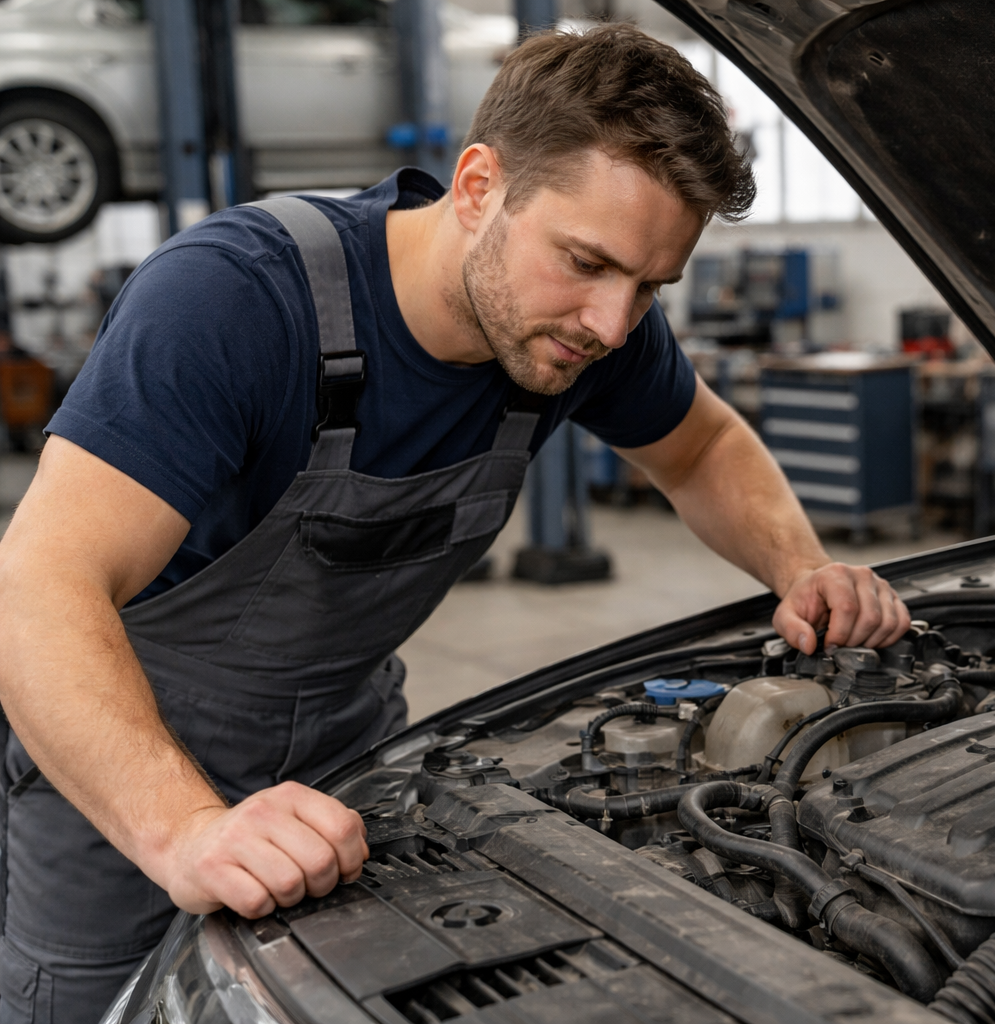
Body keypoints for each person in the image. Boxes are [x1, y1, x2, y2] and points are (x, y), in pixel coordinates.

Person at [0, 25, 912, 1023]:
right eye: (586, 261)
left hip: (350, 761)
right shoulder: (237, 302)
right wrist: (181, 830)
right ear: (477, 187)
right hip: (120, 779)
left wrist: (801, 567)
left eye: (650, 285)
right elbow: (38, 585)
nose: (612, 324)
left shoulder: (583, 334)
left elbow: (701, 448)